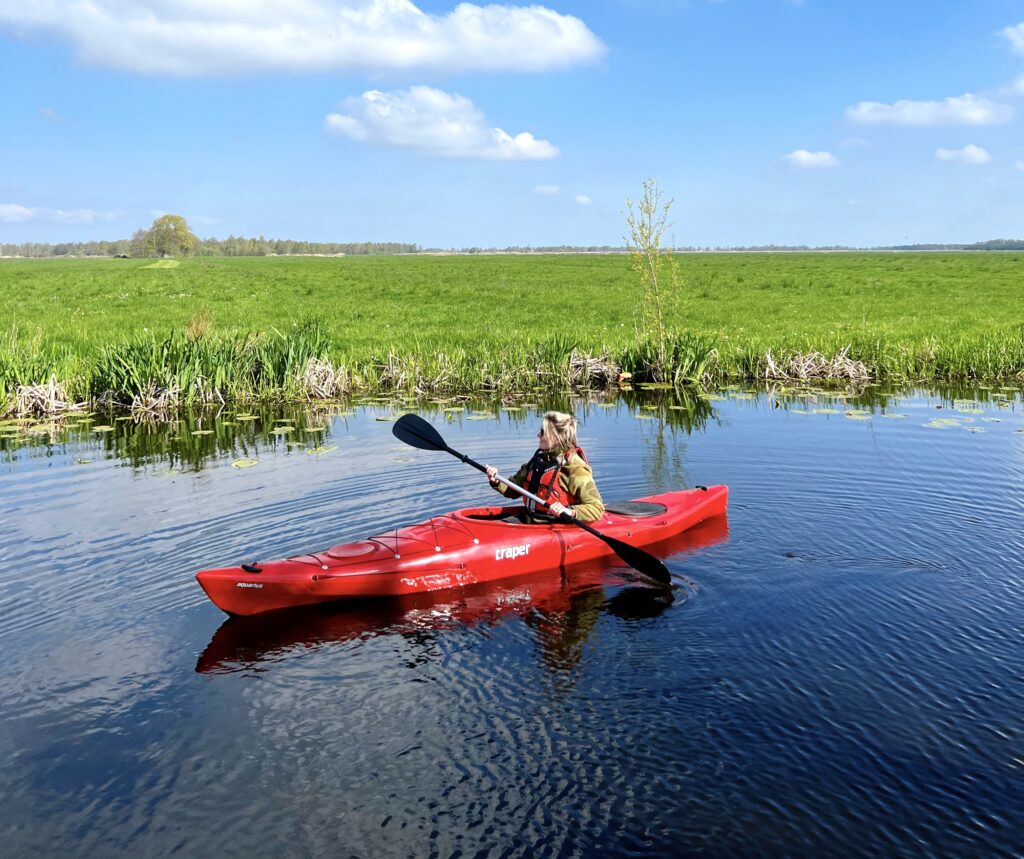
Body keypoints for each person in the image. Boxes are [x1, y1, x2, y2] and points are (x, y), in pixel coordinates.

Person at [484, 410, 605, 523]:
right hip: (530, 519)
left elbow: (596, 508)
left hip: (555, 525)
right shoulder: (538, 460)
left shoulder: (574, 467)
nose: (538, 435)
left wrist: (569, 511)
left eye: (542, 432)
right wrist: (496, 481)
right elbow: (512, 490)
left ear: (557, 438)